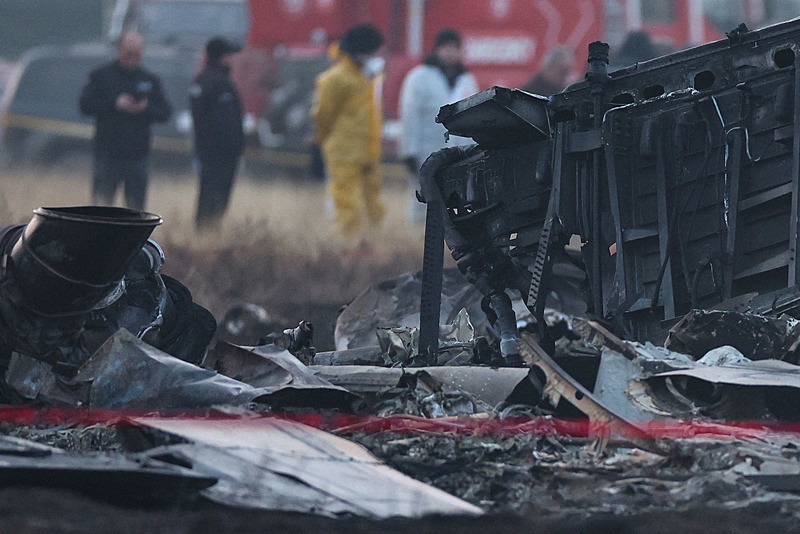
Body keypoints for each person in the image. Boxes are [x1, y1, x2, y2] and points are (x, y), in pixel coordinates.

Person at [79, 31, 171, 211]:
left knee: (136, 210)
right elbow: (84, 105)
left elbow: (165, 112)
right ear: (119, 50)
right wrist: (114, 104)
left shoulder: (150, 80)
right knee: (101, 207)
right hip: (107, 154)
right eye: (128, 52)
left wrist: (146, 108)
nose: (132, 57)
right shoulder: (101, 76)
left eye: (136, 53)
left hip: (138, 155)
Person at [312, 24, 385, 243]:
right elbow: (323, 117)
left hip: (368, 153)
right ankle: (344, 248)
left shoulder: (368, 78)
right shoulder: (334, 79)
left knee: (374, 207)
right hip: (343, 154)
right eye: (374, 52)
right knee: (346, 207)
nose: (378, 57)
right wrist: (319, 143)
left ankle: (371, 245)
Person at [398, 28, 479, 223]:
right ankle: (416, 242)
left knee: (457, 201)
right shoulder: (418, 77)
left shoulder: (467, 80)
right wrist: (409, 151)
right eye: (445, 48)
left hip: (459, 152)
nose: (450, 53)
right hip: (426, 151)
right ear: (436, 50)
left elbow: (475, 116)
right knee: (422, 200)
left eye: (454, 48)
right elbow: (409, 115)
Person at [190, 37, 245, 230]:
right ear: (222, 57)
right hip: (212, 154)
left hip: (228, 155)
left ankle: (213, 230)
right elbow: (201, 120)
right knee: (209, 196)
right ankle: (203, 231)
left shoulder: (225, 83)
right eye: (229, 55)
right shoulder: (205, 81)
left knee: (222, 197)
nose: (232, 59)